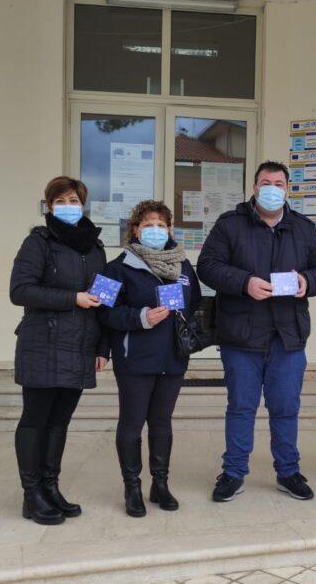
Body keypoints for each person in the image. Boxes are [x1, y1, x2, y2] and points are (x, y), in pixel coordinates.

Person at [197, 160, 316, 502]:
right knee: (241, 407)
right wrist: (244, 282)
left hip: (288, 336)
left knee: (286, 407)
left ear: (288, 190)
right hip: (242, 335)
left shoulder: (303, 228)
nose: (272, 189)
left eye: (279, 184)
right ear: (255, 188)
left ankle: (288, 472)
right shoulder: (230, 224)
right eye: (265, 183)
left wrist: (307, 281)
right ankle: (233, 472)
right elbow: (207, 266)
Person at [9, 176, 109, 525]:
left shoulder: (95, 248)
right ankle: (31, 494)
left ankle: (50, 487)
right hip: (43, 343)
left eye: (74, 201)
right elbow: (20, 290)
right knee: (35, 421)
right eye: (61, 201)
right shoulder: (38, 242)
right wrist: (72, 298)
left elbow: (104, 300)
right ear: (49, 206)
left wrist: (103, 347)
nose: (68, 207)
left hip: (80, 346)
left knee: (59, 423)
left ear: (83, 205)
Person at [99, 200, 201, 518]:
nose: (155, 229)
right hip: (135, 358)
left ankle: (160, 484)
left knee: (162, 422)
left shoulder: (184, 266)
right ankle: (132, 488)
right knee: (132, 423)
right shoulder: (115, 267)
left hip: (173, 357)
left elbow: (195, 303)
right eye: (148, 224)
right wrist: (140, 317)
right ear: (135, 230)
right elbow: (101, 311)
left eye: (161, 224)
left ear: (170, 230)